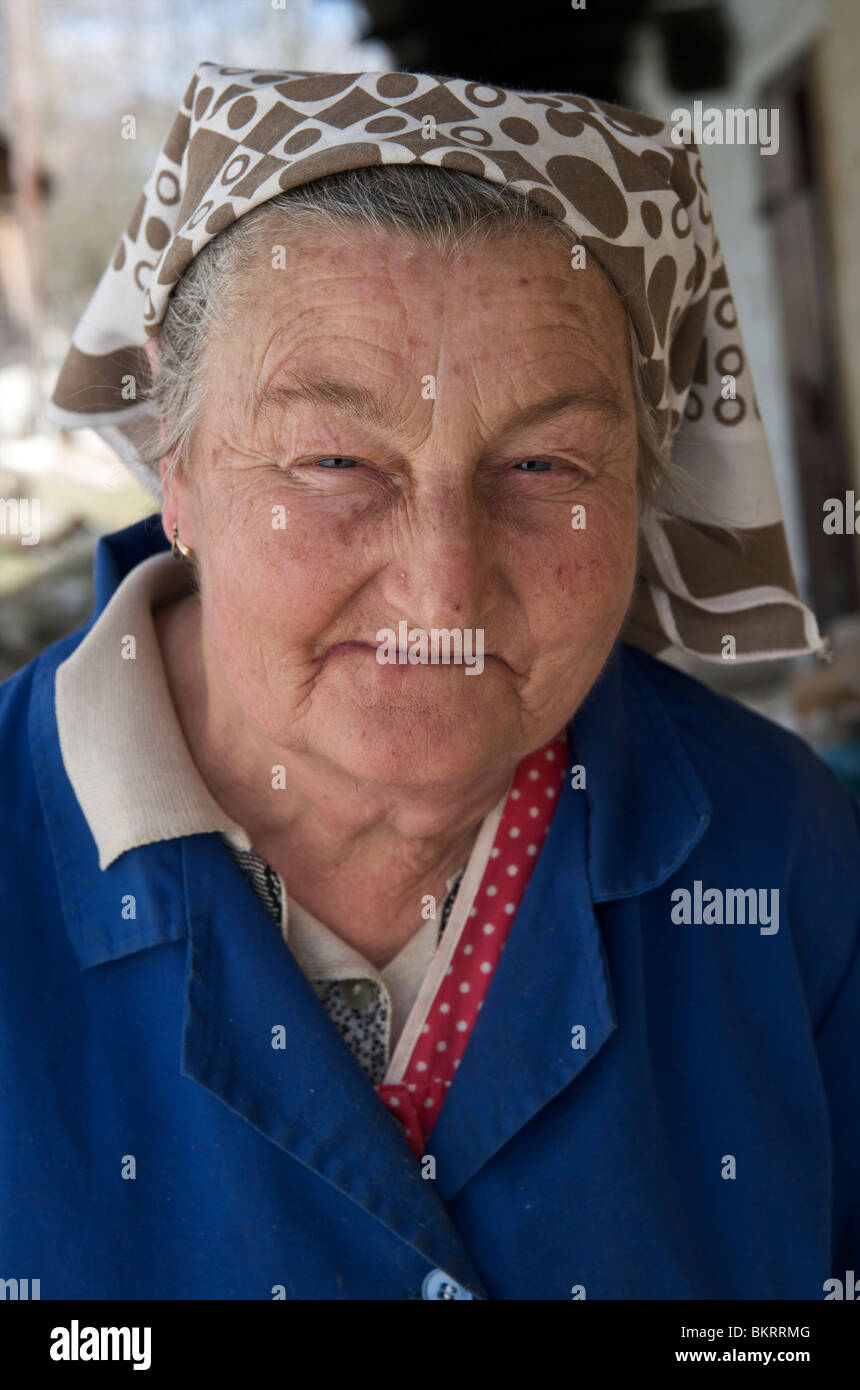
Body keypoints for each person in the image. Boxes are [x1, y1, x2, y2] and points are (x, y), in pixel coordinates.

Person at [1, 64, 857, 1301]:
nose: (443, 591)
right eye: (337, 457)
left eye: (545, 461)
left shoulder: (775, 852)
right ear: (176, 462)